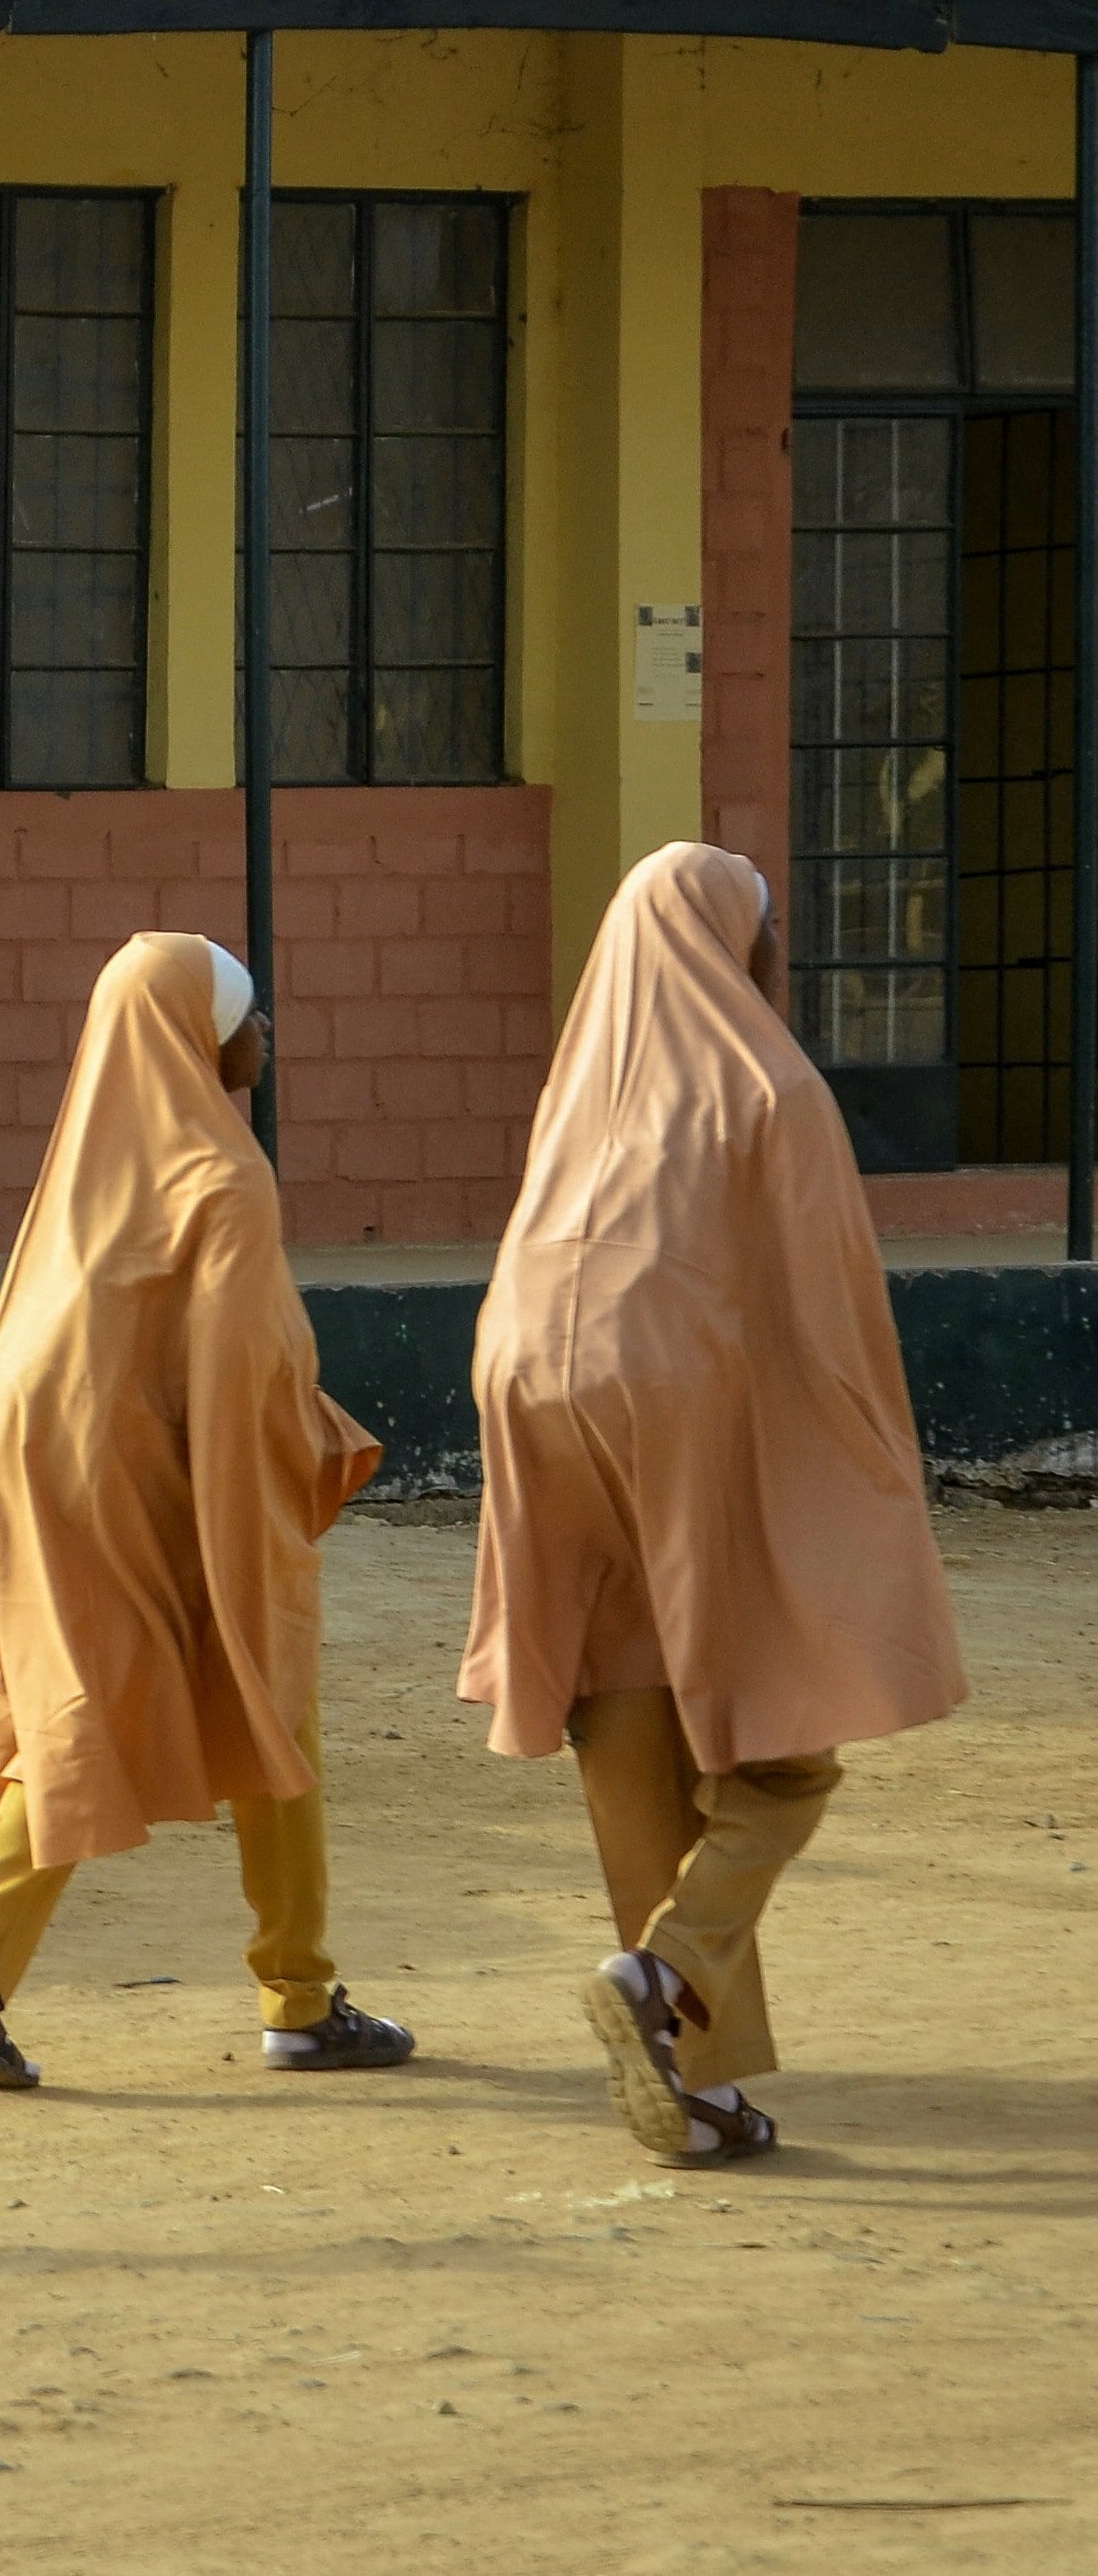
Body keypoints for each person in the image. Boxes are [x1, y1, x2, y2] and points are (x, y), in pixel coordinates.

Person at [461, 843, 963, 2165]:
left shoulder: (580, 1086)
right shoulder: (769, 1085)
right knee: (780, 1743)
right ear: (735, 939)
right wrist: (856, 1479)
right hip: (671, 1387)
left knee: (620, 1709)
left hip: (523, 1379)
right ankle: (660, 1969)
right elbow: (825, 1317)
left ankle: (696, 2077)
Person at [0, 933, 413, 2092]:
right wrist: (309, 1448)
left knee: (107, 1689)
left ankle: (298, 1990)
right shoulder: (221, 1177)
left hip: (52, 1446)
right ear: (194, 1035)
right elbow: (245, 1367)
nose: (262, 1030)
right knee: (215, 1687)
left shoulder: (86, 1165)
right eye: (244, 1009)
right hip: (140, 1460)